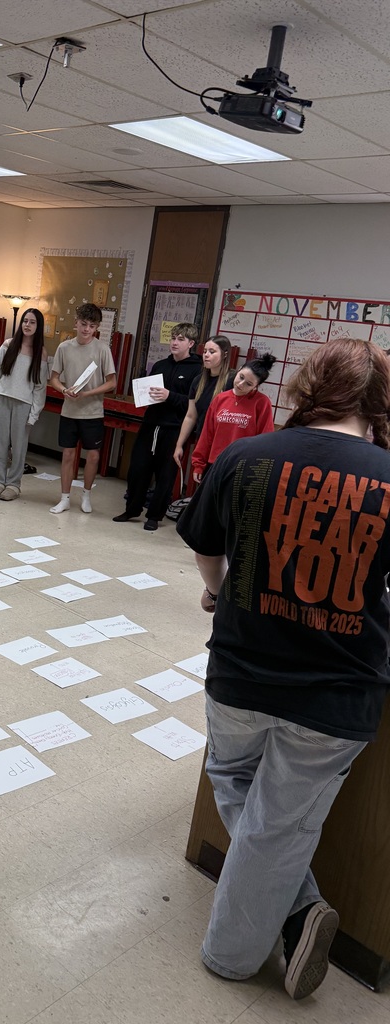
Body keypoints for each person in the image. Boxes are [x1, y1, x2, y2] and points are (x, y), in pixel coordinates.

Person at [176, 337, 390, 1000]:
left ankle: (244, 947)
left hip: (243, 674)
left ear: (306, 387)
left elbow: (207, 553)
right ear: (378, 403)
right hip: (337, 695)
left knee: (232, 776)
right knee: (281, 822)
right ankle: (264, 933)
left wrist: (216, 590)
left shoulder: (248, 456)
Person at [113, 322, 202, 531]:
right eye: (173, 338)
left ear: (191, 343)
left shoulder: (198, 371)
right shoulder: (161, 365)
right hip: (150, 424)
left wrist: (169, 396)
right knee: (138, 468)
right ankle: (132, 509)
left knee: (165, 474)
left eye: (180, 339)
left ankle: (154, 515)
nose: (175, 343)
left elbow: (193, 404)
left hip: (173, 429)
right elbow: (150, 392)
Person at [48, 303, 116, 514]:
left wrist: (88, 393)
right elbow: (54, 379)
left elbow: (112, 382)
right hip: (70, 410)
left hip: (93, 412)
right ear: (76, 323)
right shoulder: (64, 347)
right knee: (68, 454)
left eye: (92, 326)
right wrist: (64, 390)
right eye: (84, 324)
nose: (87, 329)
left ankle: (86, 495)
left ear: (97, 328)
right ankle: (64, 498)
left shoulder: (103, 349)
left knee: (93, 455)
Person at [0, 308, 48, 501]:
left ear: (38, 326)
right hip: (2, 398)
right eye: (25, 321)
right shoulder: (8, 345)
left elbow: (39, 388)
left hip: (24, 405)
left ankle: (13, 484)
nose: (27, 325)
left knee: (19, 447)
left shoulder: (41, 354)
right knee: (0, 443)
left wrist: (34, 413)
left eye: (32, 322)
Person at [191, 353, 276, 485]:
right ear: (239, 369)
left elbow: (265, 439)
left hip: (243, 468)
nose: (241, 384)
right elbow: (207, 433)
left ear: (256, 386)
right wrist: (199, 463)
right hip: (215, 464)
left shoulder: (262, 403)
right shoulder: (220, 398)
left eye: (248, 384)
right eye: (240, 377)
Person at [173, 335, 234, 467]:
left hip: (224, 444)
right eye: (205, 351)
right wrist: (179, 445)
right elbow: (190, 416)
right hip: (203, 440)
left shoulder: (233, 380)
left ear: (225, 354)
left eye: (212, 352)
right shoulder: (198, 380)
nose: (206, 355)